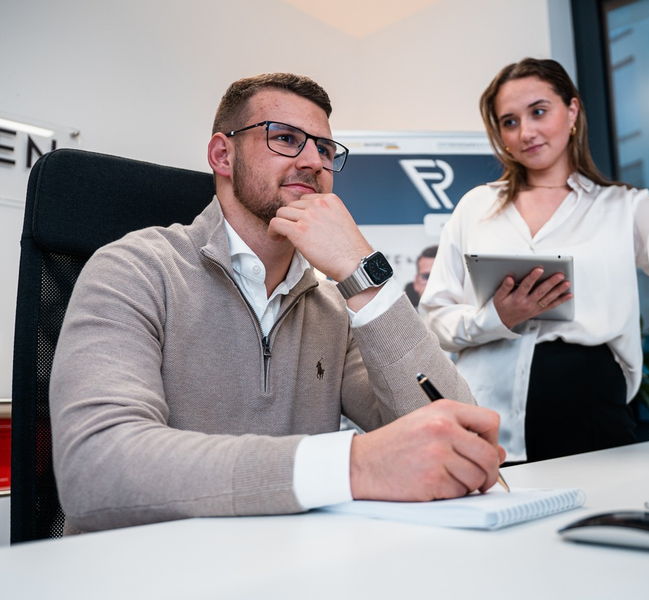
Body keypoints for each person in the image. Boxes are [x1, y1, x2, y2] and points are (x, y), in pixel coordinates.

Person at [49, 72, 505, 534]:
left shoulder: (332, 310)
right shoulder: (134, 269)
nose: (313, 161)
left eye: (325, 149)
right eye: (285, 138)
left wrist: (362, 273)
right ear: (222, 155)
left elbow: (462, 439)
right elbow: (95, 469)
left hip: (296, 567)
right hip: (156, 574)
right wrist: (352, 466)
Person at [419, 58, 649, 463]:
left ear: (572, 111)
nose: (526, 132)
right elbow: (435, 319)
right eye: (510, 121)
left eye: (539, 111)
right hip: (486, 412)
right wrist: (497, 317)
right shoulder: (475, 207)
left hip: (590, 408)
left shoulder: (622, 206)